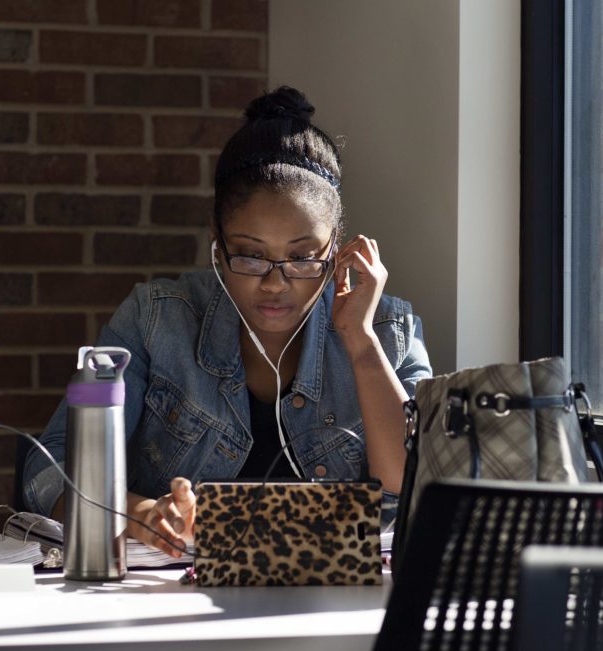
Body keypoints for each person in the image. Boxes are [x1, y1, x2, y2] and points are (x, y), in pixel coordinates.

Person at [22, 85, 432, 557]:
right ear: (216, 241)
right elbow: (47, 468)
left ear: (336, 247)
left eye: (301, 258)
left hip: (334, 596)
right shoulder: (157, 318)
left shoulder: (386, 329)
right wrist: (138, 514)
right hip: (174, 593)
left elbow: (411, 489)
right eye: (251, 256)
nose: (275, 284)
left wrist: (360, 344)